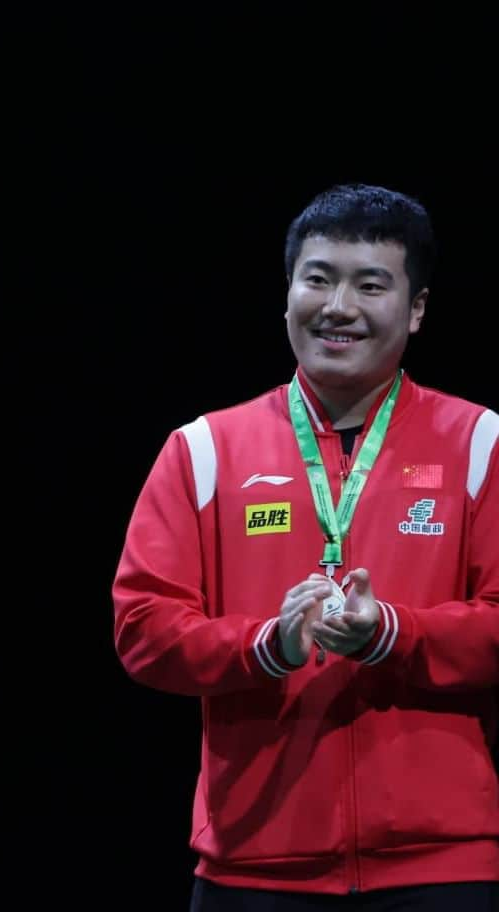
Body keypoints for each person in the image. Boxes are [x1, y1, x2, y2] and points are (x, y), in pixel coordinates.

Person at [113, 184, 498, 910]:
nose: (339, 306)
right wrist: (268, 645)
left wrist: (393, 632)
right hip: (253, 867)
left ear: (415, 310)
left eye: (370, 284)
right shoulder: (203, 450)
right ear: (287, 293)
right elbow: (142, 629)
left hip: (439, 868)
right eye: (318, 278)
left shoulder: (481, 443)